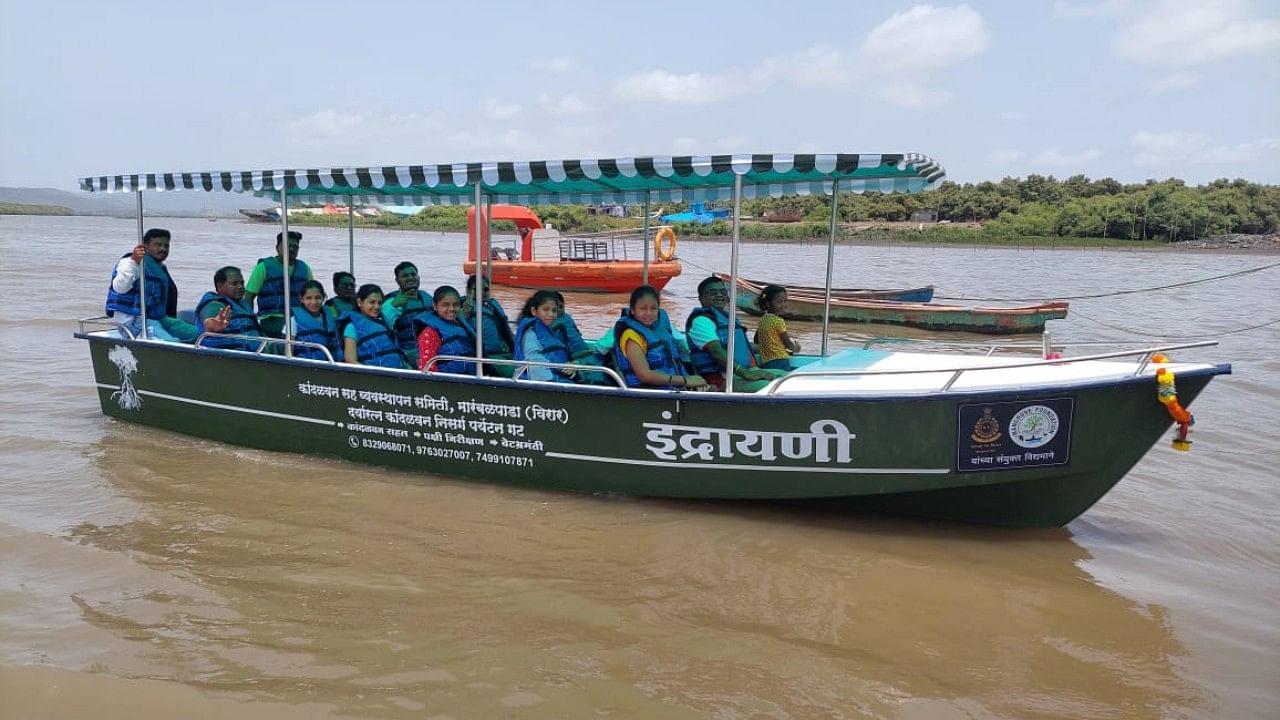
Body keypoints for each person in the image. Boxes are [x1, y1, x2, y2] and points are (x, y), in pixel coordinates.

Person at [685, 276, 784, 392]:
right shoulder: (701, 321)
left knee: (789, 377)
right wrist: (746, 373)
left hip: (748, 371)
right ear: (701, 298)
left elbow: (739, 345)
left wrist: (767, 348)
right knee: (777, 389)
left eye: (722, 292)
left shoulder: (728, 317)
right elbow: (717, 352)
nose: (719, 295)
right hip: (725, 378)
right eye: (713, 292)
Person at [104, 228, 199, 342]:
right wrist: (134, 261)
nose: (163, 249)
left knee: (200, 336)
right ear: (145, 246)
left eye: (166, 245)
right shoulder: (129, 262)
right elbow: (120, 287)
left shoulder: (160, 269)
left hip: (159, 319)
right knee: (171, 343)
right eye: (157, 245)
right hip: (134, 321)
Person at [613, 285, 706, 390]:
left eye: (653, 308)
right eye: (643, 308)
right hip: (649, 394)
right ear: (633, 310)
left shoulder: (660, 330)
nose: (649, 313)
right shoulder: (631, 336)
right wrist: (685, 381)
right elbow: (644, 375)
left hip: (673, 389)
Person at [244, 230, 313, 338]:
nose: (291, 249)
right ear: (277, 248)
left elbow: (312, 295)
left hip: (297, 320)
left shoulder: (305, 269)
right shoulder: (264, 267)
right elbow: (248, 296)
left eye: (295, 247)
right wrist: (250, 323)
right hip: (272, 322)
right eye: (287, 246)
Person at [336, 284, 408, 368]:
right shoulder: (351, 328)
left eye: (379, 303)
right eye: (371, 302)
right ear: (359, 302)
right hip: (375, 375)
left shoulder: (383, 323)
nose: (377, 306)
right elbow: (350, 360)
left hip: (397, 372)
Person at [195, 266, 263, 351]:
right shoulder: (213, 304)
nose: (240, 287)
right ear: (220, 286)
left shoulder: (242, 304)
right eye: (234, 284)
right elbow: (209, 320)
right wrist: (213, 325)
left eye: (242, 283)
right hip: (227, 357)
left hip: (255, 355)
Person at [514, 290, 576, 383]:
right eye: (546, 309)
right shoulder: (530, 335)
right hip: (541, 383)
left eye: (554, 310)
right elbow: (537, 369)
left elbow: (552, 357)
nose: (551, 314)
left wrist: (568, 367)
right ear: (534, 311)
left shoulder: (548, 330)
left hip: (556, 375)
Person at [414, 285, 478, 374]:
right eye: (445, 305)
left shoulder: (462, 326)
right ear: (435, 306)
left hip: (471, 379)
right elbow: (426, 368)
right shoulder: (430, 333)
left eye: (456, 305)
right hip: (447, 382)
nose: (451, 309)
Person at [461, 275, 517, 377]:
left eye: (485, 289)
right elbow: (459, 327)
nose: (482, 293)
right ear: (468, 290)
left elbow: (505, 330)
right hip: (486, 356)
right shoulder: (464, 307)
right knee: (517, 372)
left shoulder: (492, 306)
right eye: (476, 289)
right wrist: (465, 315)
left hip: (502, 352)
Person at [382, 261, 433, 368]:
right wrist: (394, 306)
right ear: (397, 280)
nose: (410, 278)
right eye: (405, 276)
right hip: (408, 352)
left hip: (431, 348)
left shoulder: (427, 297)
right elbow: (384, 326)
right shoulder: (391, 302)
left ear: (418, 277)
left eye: (413, 274)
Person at [291, 280, 342, 361]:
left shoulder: (331, 315)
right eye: (308, 298)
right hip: (305, 365)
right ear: (301, 299)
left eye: (318, 298)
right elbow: (288, 350)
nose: (314, 302)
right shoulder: (293, 319)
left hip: (331, 364)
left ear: (323, 297)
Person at [754, 284, 801, 371]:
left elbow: (756, 340)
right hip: (780, 361)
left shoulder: (762, 320)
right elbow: (789, 345)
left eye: (785, 301)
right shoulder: (778, 321)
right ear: (768, 303)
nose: (783, 305)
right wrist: (797, 348)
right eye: (779, 302)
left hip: (766, 362)